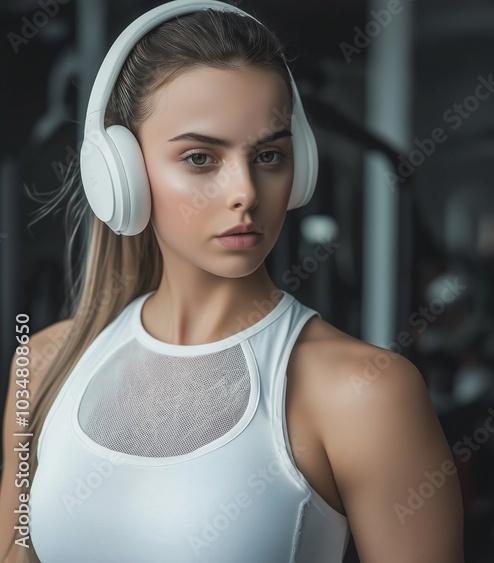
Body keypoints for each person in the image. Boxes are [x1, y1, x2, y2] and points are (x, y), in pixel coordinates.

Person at [0, 2, 464, 562]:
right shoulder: (45, 365)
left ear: (300, 167)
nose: (245, 190)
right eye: (200, 158)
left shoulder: (366, 393)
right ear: (120, 174)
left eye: (269, 154)